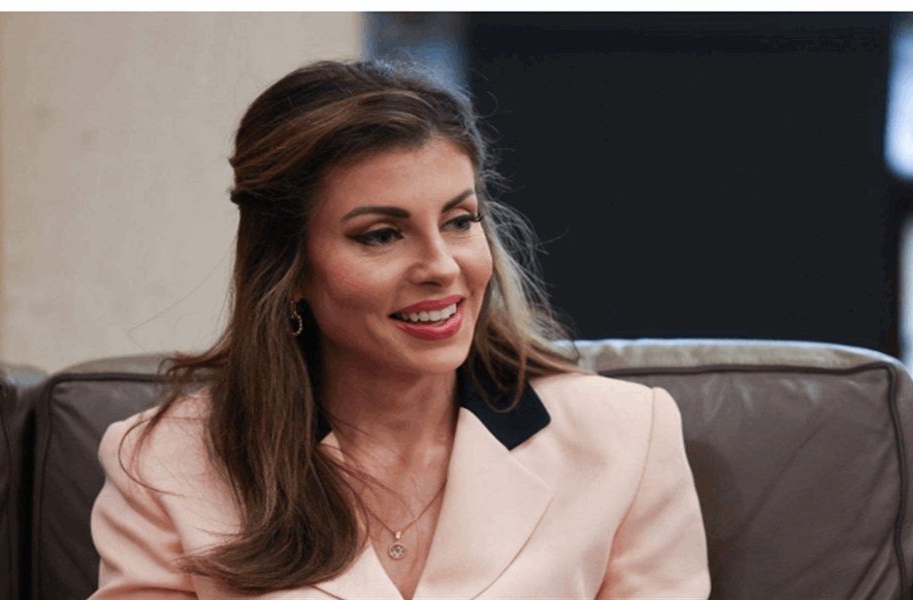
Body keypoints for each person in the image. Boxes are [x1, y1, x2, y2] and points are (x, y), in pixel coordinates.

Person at [89, 59, 710, 599]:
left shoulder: (626, 436)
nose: (441, 267)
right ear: (289, 267)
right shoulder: (163, 463)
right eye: (381, 235)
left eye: (460, 221)